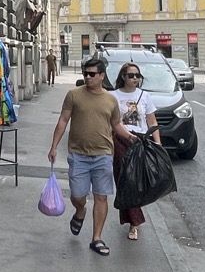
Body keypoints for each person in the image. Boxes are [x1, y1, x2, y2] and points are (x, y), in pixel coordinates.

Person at [47, 56, 135, 256]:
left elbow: (116, 124)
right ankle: (80, 211)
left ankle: (97, 238)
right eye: (85, 73)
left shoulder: (110, 100)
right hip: (78, 155)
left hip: (103, 155)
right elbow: (63, 120)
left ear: (102, 76)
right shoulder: (73, 95)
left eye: (92, 74)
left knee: (101, 197)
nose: (87, 77)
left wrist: (131, 137)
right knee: (78, 195)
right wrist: (54, 147)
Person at [110, 63, 161, 241]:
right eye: (131, 75)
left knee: (134, 181)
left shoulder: (144, 96)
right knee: (123, 180)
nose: (135, 78)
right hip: (119, 139)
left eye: (137, 76)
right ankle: (134, 221)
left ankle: (133, 222)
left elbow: (152, 121)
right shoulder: (113, 96)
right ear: (123, 76)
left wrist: (158, 143)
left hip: (140, 141)